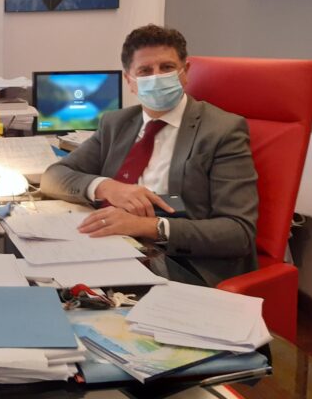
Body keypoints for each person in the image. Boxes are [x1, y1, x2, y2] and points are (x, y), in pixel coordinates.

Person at [40, 25, 259, 285]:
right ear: (129, 81)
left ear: (185, 72)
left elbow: (238, 232)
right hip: (112, 244)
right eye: (145, 71)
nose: (157, 77)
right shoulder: (116, 123)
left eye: (166, 67)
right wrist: (107, 187)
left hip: (180, 261)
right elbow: (53, 176)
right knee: (41, 273)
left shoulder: (221, 130)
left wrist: (145, 226)